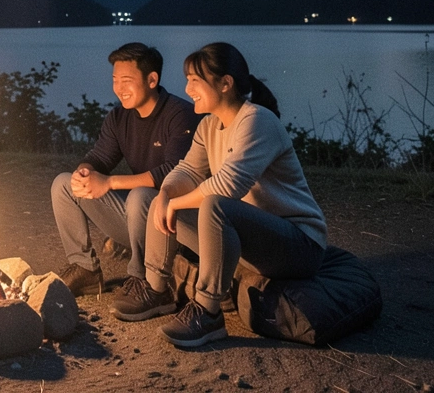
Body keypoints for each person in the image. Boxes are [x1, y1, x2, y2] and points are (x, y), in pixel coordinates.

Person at [142, 42, 328, 348]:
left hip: (298, 244)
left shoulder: (257, 120)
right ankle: (156, 290)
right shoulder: (208, 126)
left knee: (215, 205)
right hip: (254, 240)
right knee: (157, 201)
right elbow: (188, 171)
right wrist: (165, 193)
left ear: (226, 83)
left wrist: (175, 202)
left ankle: (208, 312)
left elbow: (228, 187)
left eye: (195, 81)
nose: (188, 89)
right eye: (187, 80)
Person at [51, 42, 200, 298]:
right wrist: (85, 173)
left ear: (152, 79)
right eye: (115, 80)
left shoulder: (180, 115)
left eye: (127, 80)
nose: (119, 88)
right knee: (64, 184)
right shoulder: (119, 118)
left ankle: (144, 279)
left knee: (140, 195)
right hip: (140, 220)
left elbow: (174, 172)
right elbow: (99, 157)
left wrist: (109, 182)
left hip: (178, 223)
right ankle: (85, 269)